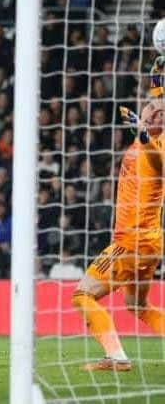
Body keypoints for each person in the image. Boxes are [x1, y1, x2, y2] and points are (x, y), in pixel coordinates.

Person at [72, 99, 165, 371]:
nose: (155, 110)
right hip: (150, 243)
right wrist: (159, 66)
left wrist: (143, 131)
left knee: (82, 295)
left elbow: (158, 162)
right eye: (151, 106)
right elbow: (159, 90)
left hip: (131, 243)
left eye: (162, 113)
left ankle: (116, 357)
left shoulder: (156, 147)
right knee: (138, 306)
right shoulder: (147, 131)